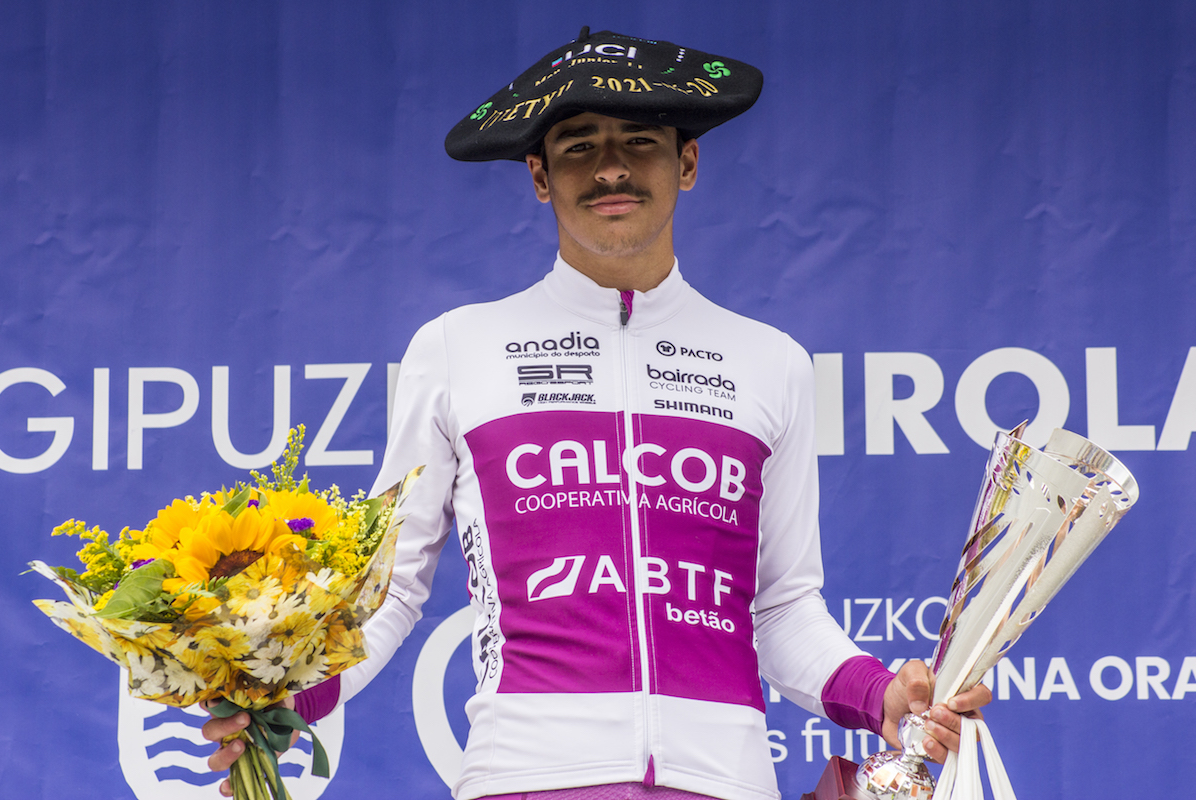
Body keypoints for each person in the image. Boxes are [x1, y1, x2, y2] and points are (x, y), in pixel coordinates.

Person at [204, 28, 991, 800]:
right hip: (523, 779)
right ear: (539, 177)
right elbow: (390, 588)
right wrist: (279, 695)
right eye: (579, 145)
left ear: (687, 163)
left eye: (639, 141)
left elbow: (783, 607)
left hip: (723, 780)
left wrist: (881, 696)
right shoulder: (455, 347)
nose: (611, 167)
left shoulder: (769, 360)